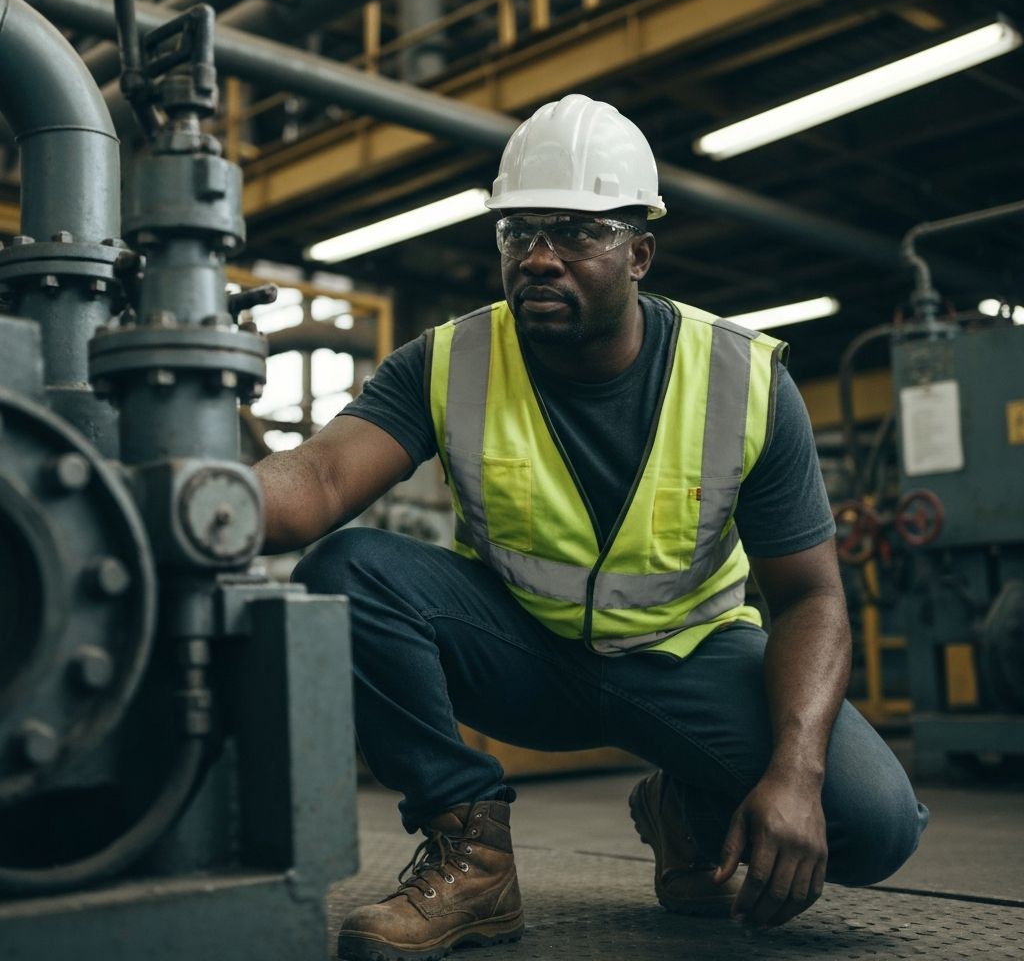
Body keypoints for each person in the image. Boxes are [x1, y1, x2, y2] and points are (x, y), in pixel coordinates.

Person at [254, 93, 928, 961]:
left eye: (575, 233)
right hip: (520, 657)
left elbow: (809, 597)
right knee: (346, 569)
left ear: (639, 252)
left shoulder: (744, 380)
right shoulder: (449, 360)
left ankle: (684, 800)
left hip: (686, 660)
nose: (538, 259)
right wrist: (191, 495)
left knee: (874, 828)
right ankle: (474, 855)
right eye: (517, 232)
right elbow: (319, 478)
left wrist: (794, 775)